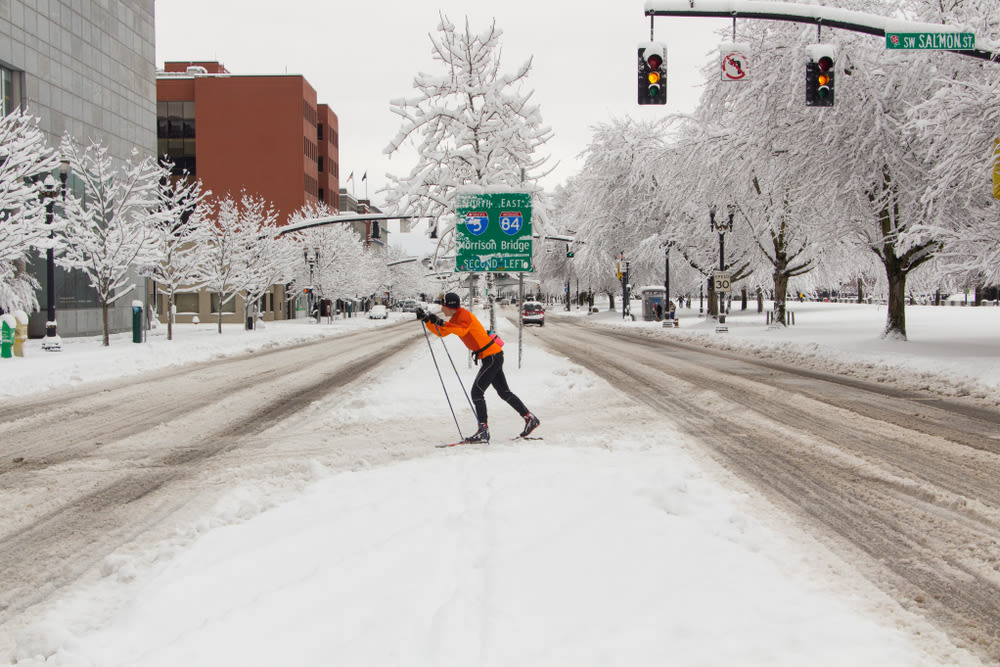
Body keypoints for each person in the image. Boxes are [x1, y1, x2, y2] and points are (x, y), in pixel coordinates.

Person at [415, 292, 540, 444]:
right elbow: (443, 332)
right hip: (491, 356)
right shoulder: (455, 318)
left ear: (449, 305)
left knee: (476, 392)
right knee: (503, 392)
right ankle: (529, 418)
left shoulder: (464, 315)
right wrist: (428, 320)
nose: (441, 308)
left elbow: (461, 330)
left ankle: (483, 430)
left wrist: (440, 322)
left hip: (492, 357)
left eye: (442, 305)